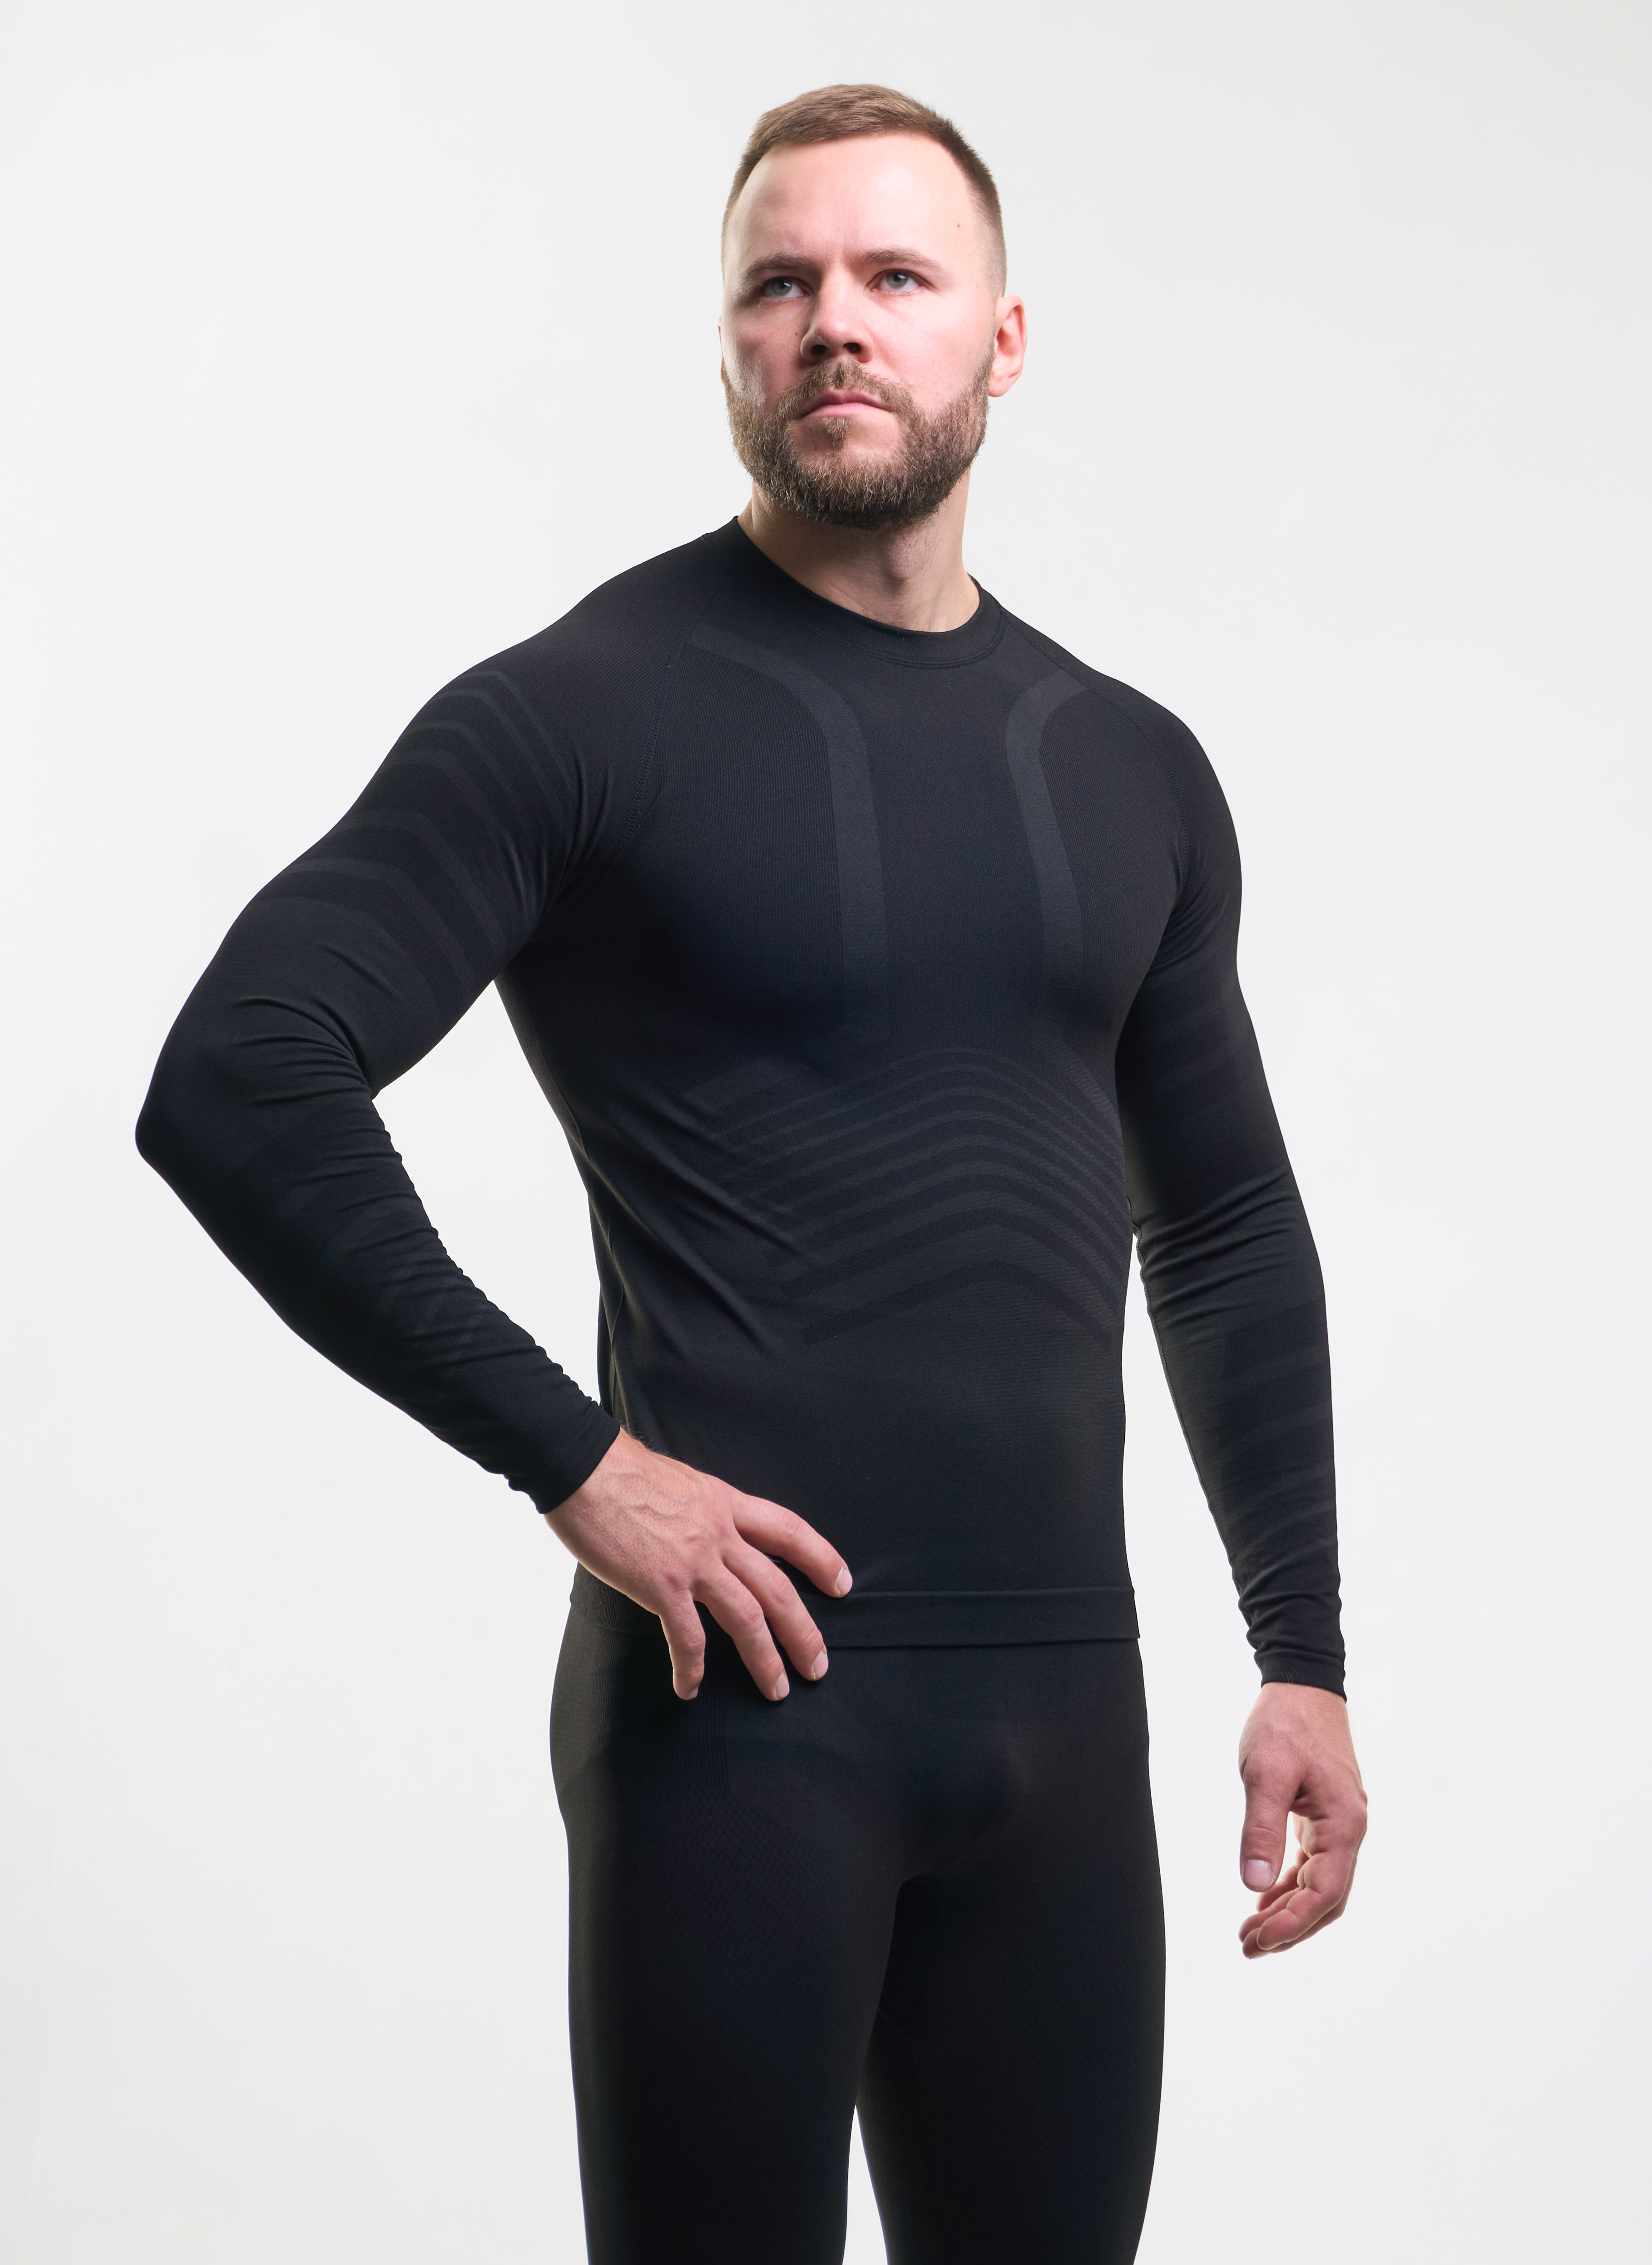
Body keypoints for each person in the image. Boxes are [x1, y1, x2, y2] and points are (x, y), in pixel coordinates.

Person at [138, 82, 1366, 2265]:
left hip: (1061, 1718)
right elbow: (241, 1074)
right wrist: (574, 1460)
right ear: (725, 344)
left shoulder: (1125, 765)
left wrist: (1303, 1648)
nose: (834, 323)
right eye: (778, 284)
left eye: (894, 275)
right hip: (737, 1723)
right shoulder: (582, 711)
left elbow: (1226, 1223)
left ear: (1001, 337)